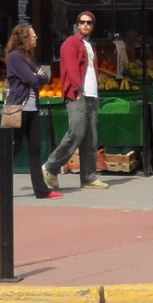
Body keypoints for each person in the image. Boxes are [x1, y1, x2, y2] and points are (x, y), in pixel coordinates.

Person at [44, 10, 110, 190]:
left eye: (89, 22)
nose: (85, 25)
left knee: (91, 138)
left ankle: (89, 177)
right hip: (78, 94)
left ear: (93, 26)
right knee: (77, 132)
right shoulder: (70, 43)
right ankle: (51, 166)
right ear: (77, 24)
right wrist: (77, 88)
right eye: (82, 22)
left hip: (92, 95)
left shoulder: (91, 46)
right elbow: (71, 67)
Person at [0, 23, 59, 200]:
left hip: (32, 108)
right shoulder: (14, 57)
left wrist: (37, 76)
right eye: (33, 35)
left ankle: (41, 190)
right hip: (18, 108)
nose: (36, 38)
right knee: (13, 148)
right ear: (24, 39)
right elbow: (34, 79)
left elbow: (44, 78)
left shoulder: (29, 58)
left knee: (35, 149)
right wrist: (36, 76)